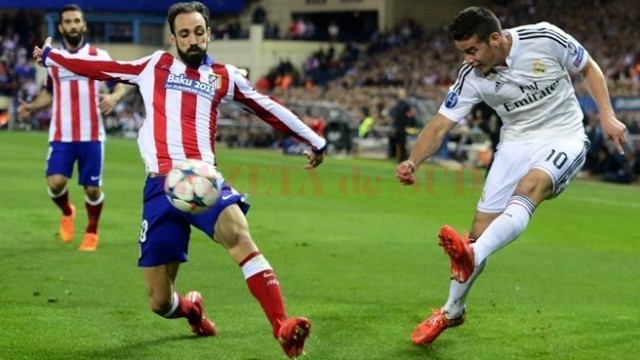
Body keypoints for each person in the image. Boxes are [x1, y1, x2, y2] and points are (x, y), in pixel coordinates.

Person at [33, 2, 326, 358]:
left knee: (239, 235)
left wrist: (315, 140)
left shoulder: (223, 75)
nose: (193, 40)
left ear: (209, 33)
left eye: (199, 32)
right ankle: (192, 310)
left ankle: (281, 325)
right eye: (184, 33)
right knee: (159, 301)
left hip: (202, 179)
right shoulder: (155, 65)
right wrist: (52, 57)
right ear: (173, 38)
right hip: (159, 186)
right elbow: (103, 67)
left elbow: (268, 107)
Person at [395, 7, 628, 345]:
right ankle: (452, 310)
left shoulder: (544, 37)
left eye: (472, 50)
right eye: (463, 52)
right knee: (478, 231)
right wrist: (413, 161)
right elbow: (440, 124)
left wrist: (607, 114)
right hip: (515, 144)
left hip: (564, 135)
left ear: (495, 38)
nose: (468, 59)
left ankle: (470, 257)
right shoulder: (472, 75)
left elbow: (588, 67)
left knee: (529, 188)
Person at [17, 4, 127, 251]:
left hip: (92, 135)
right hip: (61, 134)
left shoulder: (100, 56)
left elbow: (120, 85)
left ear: (84, 24)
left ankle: (91, 231)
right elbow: (49, 92)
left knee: (92, 188)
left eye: (77, 21)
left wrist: (113, 98)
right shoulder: (53, 59)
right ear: (60, 27)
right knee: (55, 183)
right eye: (67, 22)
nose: (73, 25)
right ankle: (68, 211)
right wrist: (33, 108)